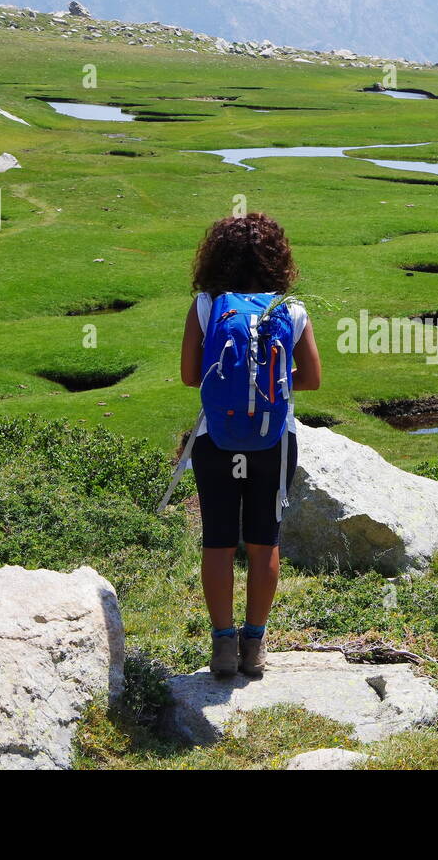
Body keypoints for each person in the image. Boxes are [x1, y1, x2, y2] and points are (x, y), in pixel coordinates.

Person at [178, 212, 321, 677]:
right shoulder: (292, 311)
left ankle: (222, 647)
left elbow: (189, 376)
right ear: (277, 258)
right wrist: (271, 382)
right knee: (265, 542)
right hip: (274, 442)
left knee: (217, 542)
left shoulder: (206, 306)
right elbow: (314, 380)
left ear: (215, 256)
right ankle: (254, 646)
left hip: (214, 438)